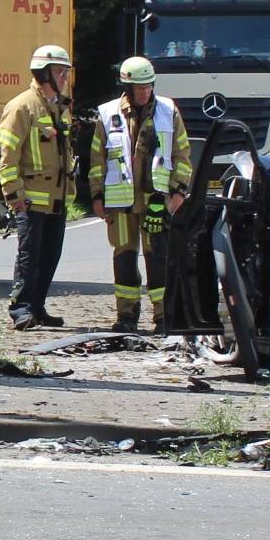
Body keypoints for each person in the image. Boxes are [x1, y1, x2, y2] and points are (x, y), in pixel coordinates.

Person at [94, 56, 190, 333]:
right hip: (120, 203)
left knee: (158, 258)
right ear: (127, 87)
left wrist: (178, 191)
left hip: (156, 201)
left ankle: (164, 317)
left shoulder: (168, 111)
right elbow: (97, 159)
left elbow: (182, 154)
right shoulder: (107, 114)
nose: (146, 92)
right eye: (140, 88)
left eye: (149, 86)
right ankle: (126, 316)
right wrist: (97, 195)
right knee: (124, 258)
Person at [0, 45, 77, 330]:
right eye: (59, 71)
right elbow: (6, 153)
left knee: (50, 255)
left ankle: (37, 307)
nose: (64, 77)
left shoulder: (60, 107)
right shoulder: (22, 106)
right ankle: (21, 308)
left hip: (57, 198)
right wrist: (13, 193)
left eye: (66, 71)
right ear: (43, 73)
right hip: (30, 198)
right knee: (29, 256)